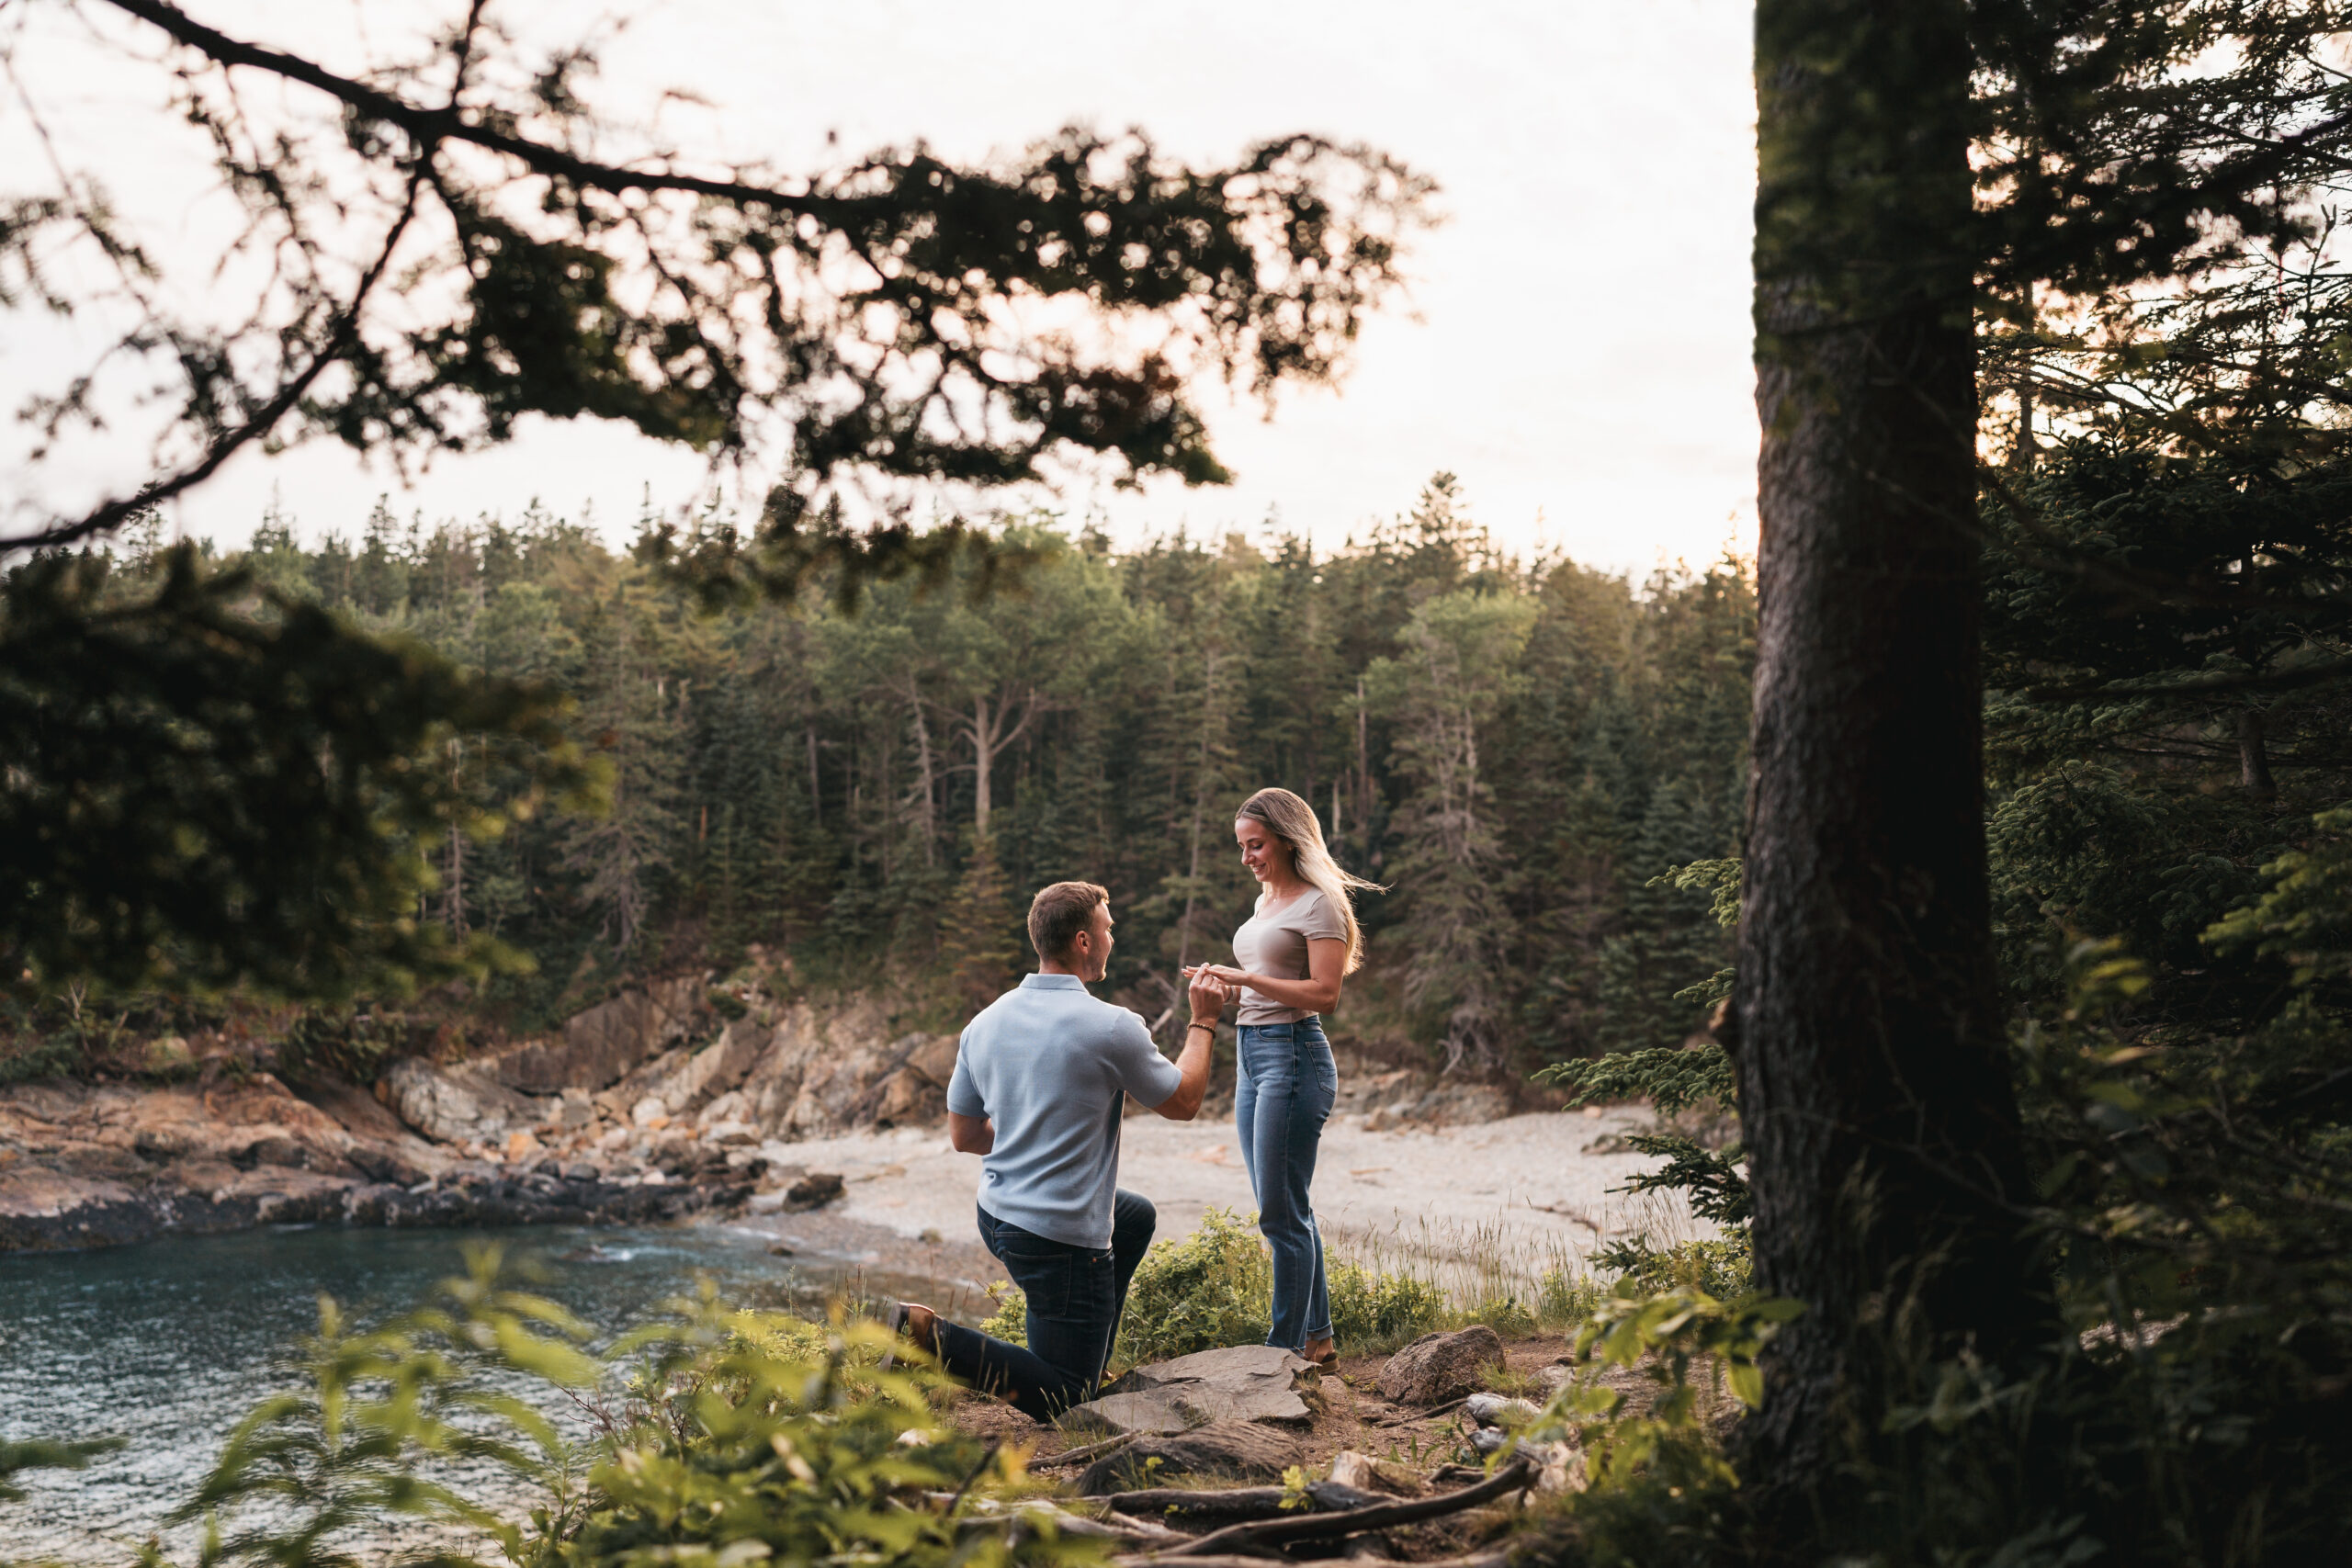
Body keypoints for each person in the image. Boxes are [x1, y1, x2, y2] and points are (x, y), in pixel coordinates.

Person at [883, 880, 1235, 1419]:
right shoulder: (1111, 1027)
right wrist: (1204, 1017)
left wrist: (1027, 1130)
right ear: (1083, 941)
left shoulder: (984, 1023)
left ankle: (1084, 1355)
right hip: (1058, 1239)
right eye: (1108, 929)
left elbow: (965, 1136)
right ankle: (922, 1332)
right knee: (1066, 1397)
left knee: (1134, 1216)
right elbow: (1185, 1101)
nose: (1112, 938)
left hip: (998, 1215)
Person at [1185, 786, 1381, 1368]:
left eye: (1256, 845)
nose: (1247, 857)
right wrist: (1226, 985)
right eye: (1242, 847)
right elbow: (1269, 974)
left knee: (1279, 1213)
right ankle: (1317, 1340)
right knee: (1287, 1206)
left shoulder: (1319, 904)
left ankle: (1281, 1354)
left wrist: (1242, 981)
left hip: (1293, 1057)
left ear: (1288, 839)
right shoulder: (1266, 902)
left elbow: (1325, 994)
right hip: (1252, 1053)